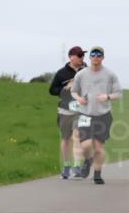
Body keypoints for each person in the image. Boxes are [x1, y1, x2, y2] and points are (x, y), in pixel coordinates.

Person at [71, 46, 122, 184]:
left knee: (99, 147)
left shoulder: (110, 75)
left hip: (103, 115)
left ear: (102, 57)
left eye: (99, 55)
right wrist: (78, 98)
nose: (95, 57)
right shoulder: (81, 74)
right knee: (85, 145)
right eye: (93, 55)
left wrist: (108, 96)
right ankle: (87, 161)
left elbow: (118, 93)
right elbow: (74, 91)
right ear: (90, 57)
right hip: (85, 114)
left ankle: (97, 175)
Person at [49, 46, 87, 178]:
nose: (82, 57)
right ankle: (66, 166)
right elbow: (52, 90)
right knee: (66, 139)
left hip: (82, 110)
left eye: (83, 55)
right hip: (65, 110)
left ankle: (77, 166)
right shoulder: (61, 73)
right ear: (71, 57)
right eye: (80, 55)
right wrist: (66, 87)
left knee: (78, 136)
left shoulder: (87, 71)